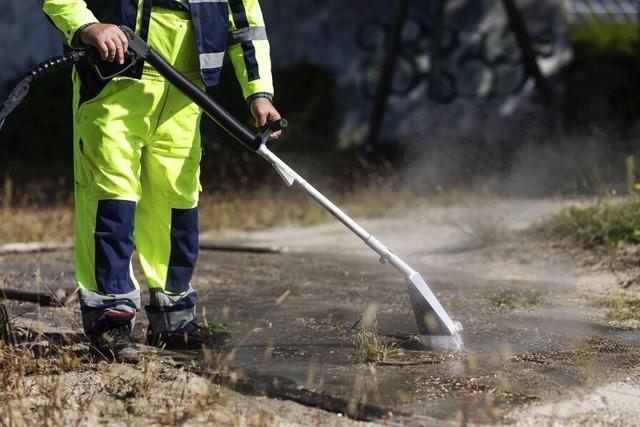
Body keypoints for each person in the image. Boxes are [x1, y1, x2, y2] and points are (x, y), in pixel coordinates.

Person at [41, 0, 282, 362]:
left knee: (176, 201)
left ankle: (173, 320)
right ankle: (110, 317)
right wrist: (87, 27)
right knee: (111, 197)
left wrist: (259, 92)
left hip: (185, 90)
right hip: (115, 83)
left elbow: (246, 22)